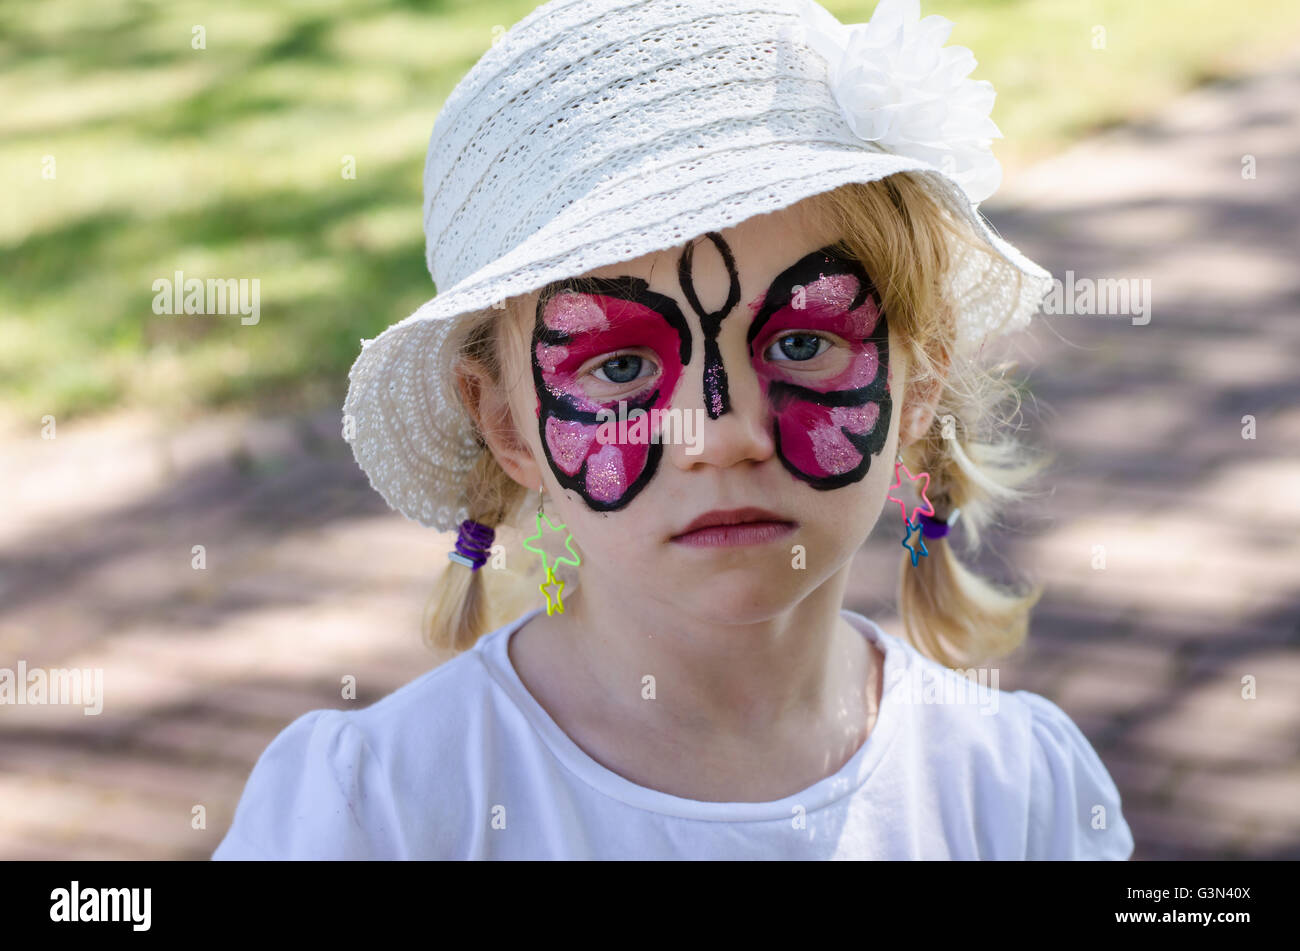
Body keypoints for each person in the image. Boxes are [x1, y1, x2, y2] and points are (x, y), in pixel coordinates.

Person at [212, 0, 1134, 860]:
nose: (723, 432)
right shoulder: (380, 814)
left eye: (805, 340)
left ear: (918, 380)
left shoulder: (1019, 793)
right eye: (621, 367)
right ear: (508, 426)